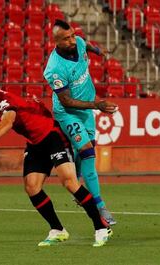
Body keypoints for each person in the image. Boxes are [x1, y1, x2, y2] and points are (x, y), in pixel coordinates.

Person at [0, 77, 111, 247]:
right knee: (32, 187)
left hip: (53, 136)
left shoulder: (5, 101)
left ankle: (100, 227)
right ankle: (58, 230)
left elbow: (7, 121)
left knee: (69, 182)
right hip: (35, 143)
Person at [44, 19, 118, 225]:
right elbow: (66, 100)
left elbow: (86, 44)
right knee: (87, 152)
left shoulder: (77, 41)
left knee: (84, 154)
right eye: (66, 38)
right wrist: (98, 105)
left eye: (72, 35)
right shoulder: (54, 69)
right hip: (67, 113)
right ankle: (100, 206)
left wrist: (98, 51)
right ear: (56, 41)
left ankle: (75, 181)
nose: (72, 40)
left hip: (85, 111)